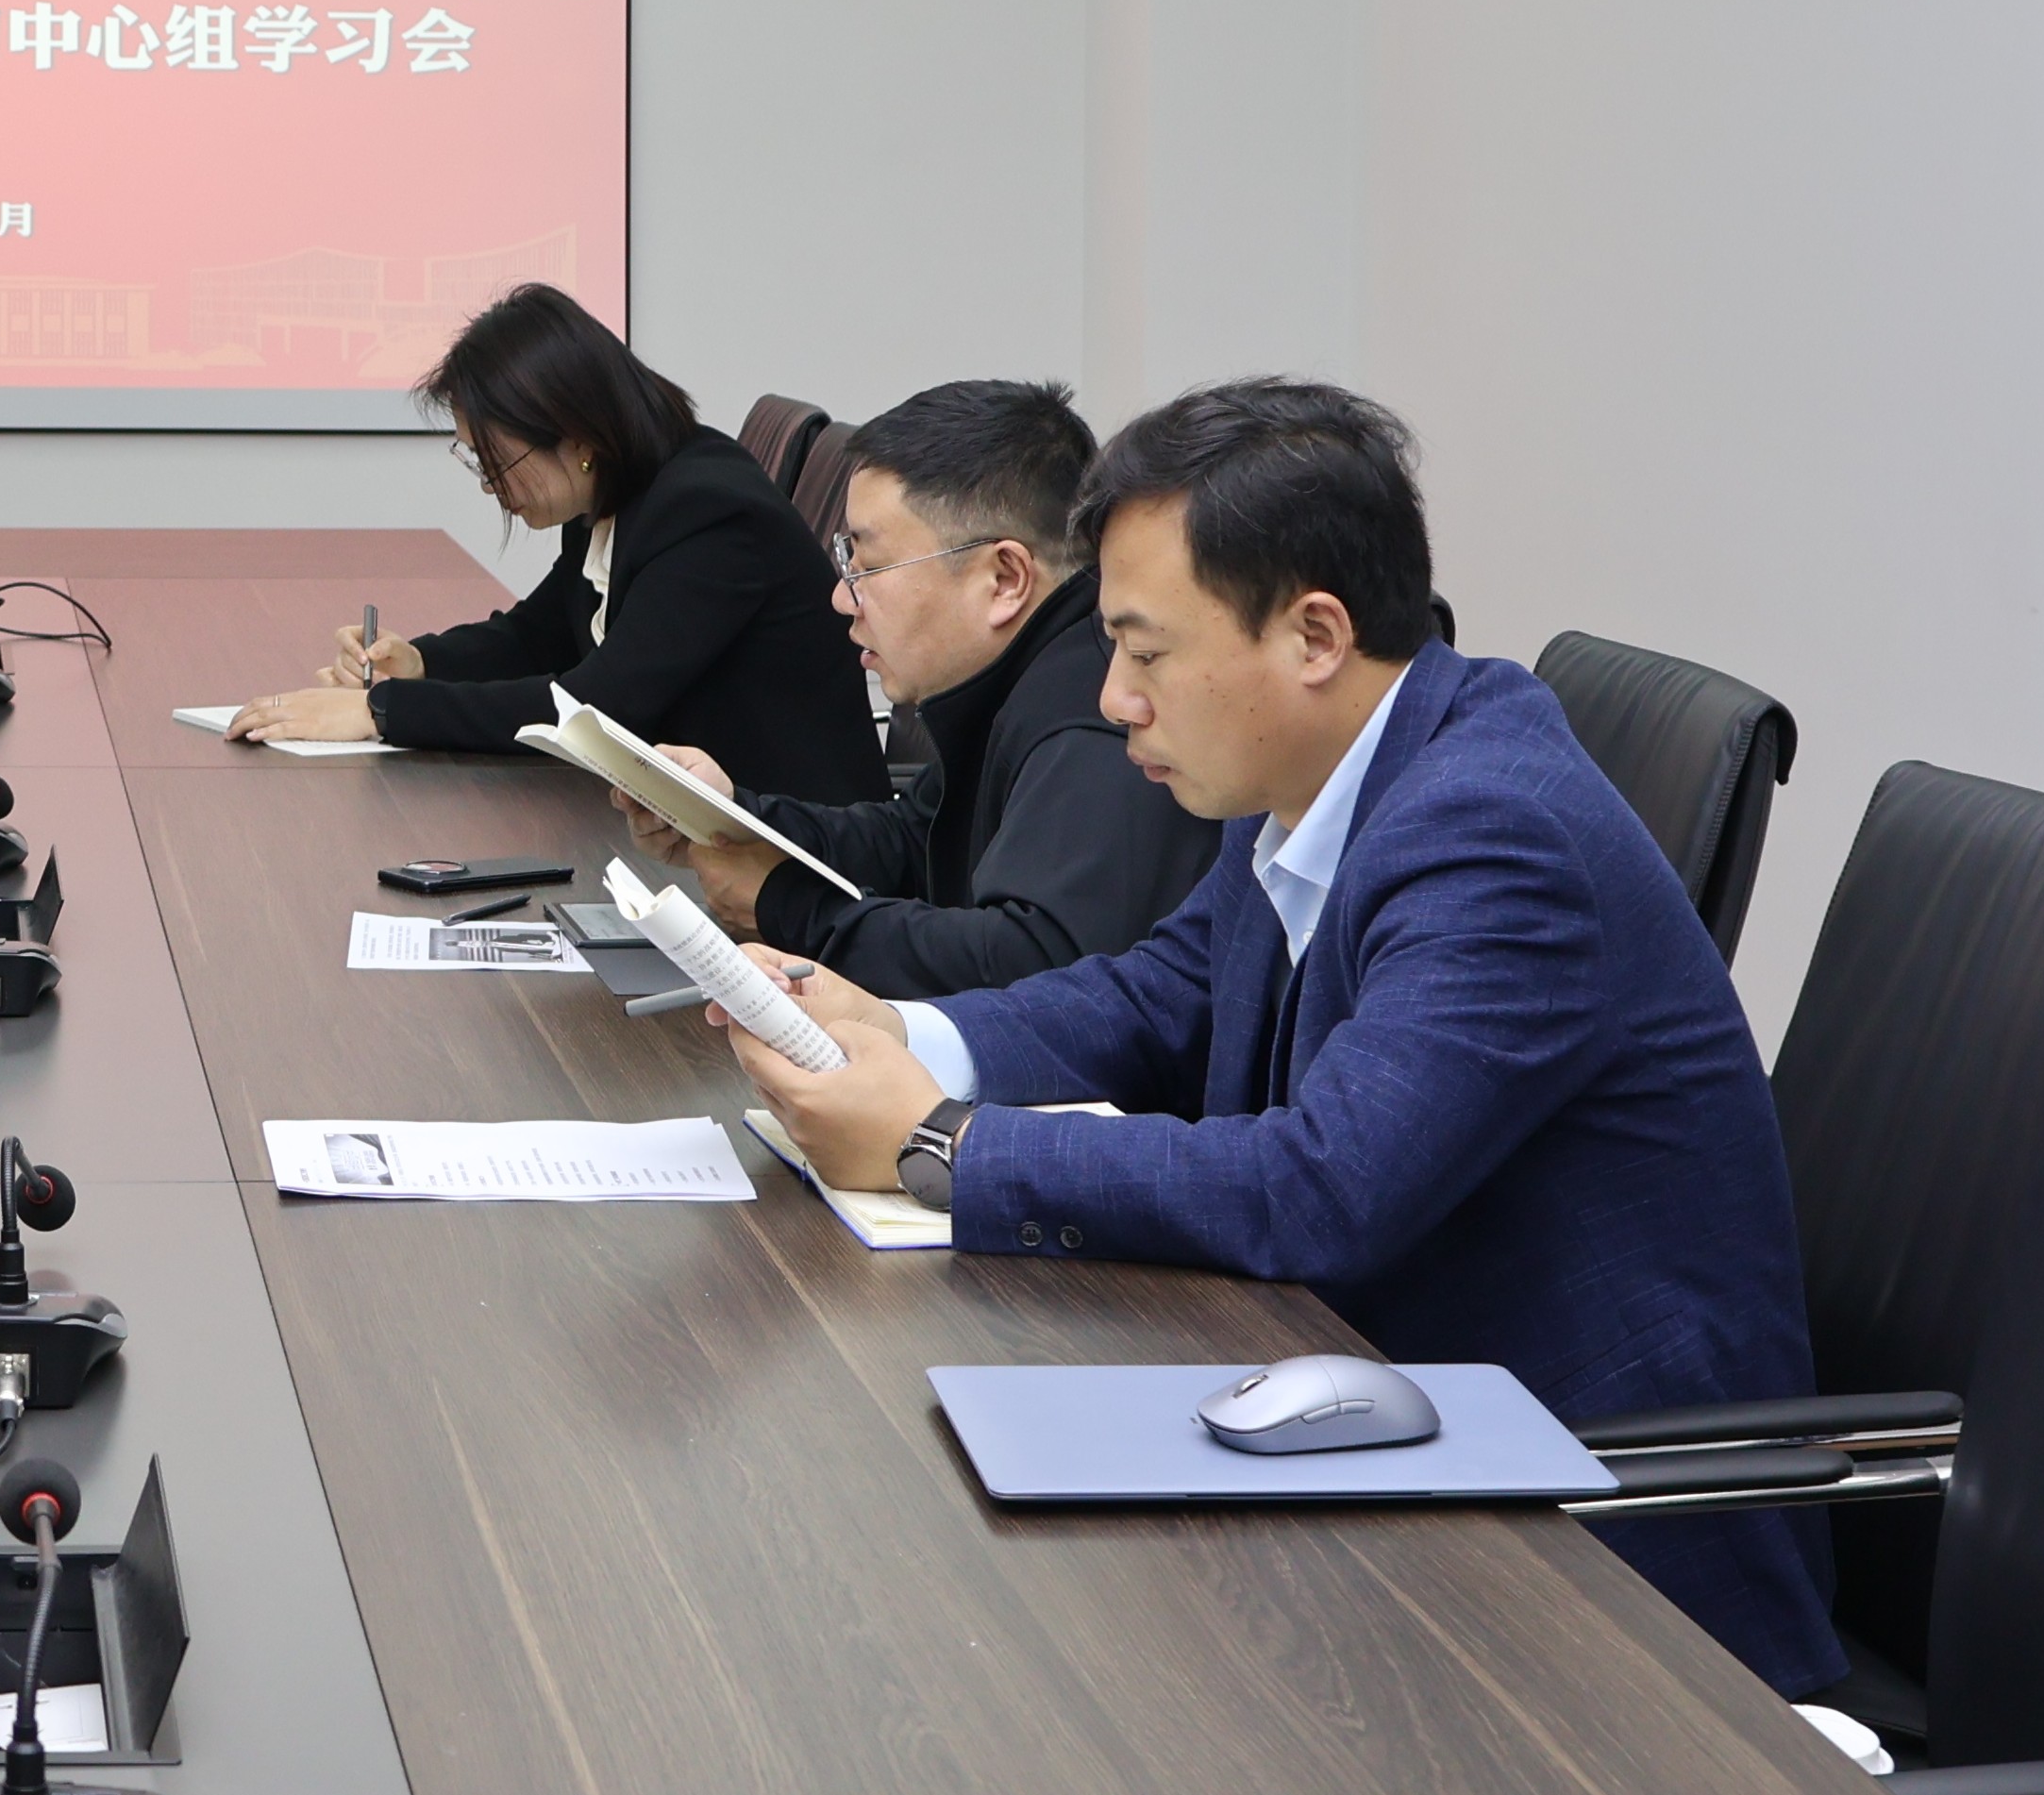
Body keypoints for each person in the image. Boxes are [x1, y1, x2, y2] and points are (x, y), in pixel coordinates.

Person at [724, 379, 1836, 1693]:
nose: (1114, 697)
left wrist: (935, 1144)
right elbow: (1161, 993)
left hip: (1602, 1572)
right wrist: (901, 1027)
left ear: (1313, 634)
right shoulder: (1317, 771)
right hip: (1391, 1440)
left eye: (1145, 652)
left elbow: (1319, 1184)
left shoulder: (1493, 833)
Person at [612, 379, 1216, 994]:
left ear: (1004, 579)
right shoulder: (1021, 671)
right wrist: (736, 816)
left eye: (870, 568)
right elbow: (914, 838)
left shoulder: (1093, 721)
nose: (841, 597)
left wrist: (788, 907)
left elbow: (1030, 966)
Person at [227, 284, 878, 797]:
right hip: (692, 822)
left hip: (795, 849)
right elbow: (537, 636)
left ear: (576, 438)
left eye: (496, 460)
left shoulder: (708, 515)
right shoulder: (622, 492)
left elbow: (597, 710)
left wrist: (381, 712)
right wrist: (421, 663)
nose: (490, 485)